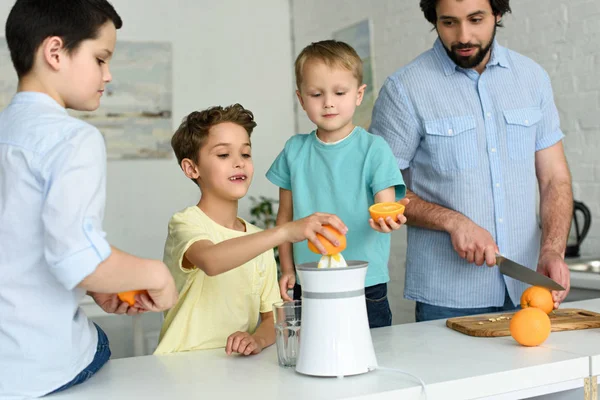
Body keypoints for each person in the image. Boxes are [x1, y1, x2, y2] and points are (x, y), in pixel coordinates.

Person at [0, 0, 178, 397]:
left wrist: (99, 285)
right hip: (43, 367)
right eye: (100, 59)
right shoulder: (72, 139)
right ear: (55, 52)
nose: (108, 75)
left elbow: (17, 246)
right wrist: (158, 276)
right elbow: (78, 259)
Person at [370, 0, 572, 322]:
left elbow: (554, 179)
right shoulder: (404, 89)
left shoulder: (532, 79)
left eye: (476, 19)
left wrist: (552, 250)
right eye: (449, 23)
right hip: (448, 298)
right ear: (434, 19)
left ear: (498, 14)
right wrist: (453, 222)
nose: (463, 36)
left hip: (529, 290)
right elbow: (383, 190)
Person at [154, 103, 346, 355]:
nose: (239, 163)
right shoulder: (186, 223)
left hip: (234, 368)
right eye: (224, 155)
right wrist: (284, 232)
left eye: (245, 154)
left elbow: (270, 319)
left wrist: (256, 339)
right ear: (192, 168)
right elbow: (212, 261)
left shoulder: (258, 239)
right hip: (182, 368)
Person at [267, 40, 408, 328]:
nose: (328, 102)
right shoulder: (294, 151)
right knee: (313, 357)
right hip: (309, 280)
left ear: (358, 95)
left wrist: (388, 218)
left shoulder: (374, 149)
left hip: (364, 283)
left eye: (339, 93)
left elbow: (385, 205)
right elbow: (284, 218)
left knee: (371, 359)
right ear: (301, 98)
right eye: (316, 94)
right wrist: (287, 268)